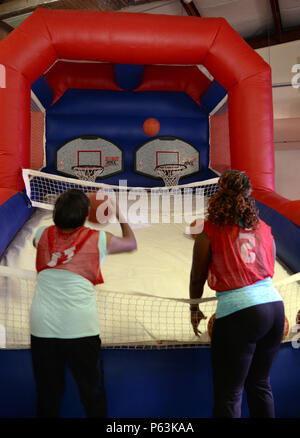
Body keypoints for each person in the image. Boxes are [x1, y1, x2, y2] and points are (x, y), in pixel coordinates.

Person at [30, 188, 137, 418]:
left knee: (47, 397)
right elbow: (131, 243)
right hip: (81, 329)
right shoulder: (99, 238)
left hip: (42, 328)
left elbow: (37, 242)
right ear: (85, 216)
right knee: (93, 396)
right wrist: (118, 213)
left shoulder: (41, 234)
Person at [189, 170, 284, 418]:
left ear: (218, 194)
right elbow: (267, 269)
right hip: (274, 306)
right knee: (260, 385)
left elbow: (197, 277)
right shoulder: (264, 227)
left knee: (229, 395)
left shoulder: (209, 231)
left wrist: (194, 307)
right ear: (250, 195)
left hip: (240, 314)